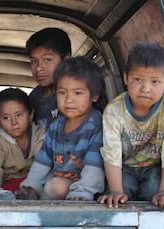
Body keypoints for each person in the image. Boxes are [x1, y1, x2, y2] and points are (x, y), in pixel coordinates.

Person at [98, 42, 164, 209]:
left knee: (154, 189)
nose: (146, 88)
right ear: (126, 78)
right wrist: (115, 191)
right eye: (138, 79)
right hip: (124, 167)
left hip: (154, 168)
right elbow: (111, 154)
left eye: (155, 81)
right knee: (119, 196)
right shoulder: (114, 110)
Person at [20, 56, 105, 200]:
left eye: (77, 93)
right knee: (51, 186)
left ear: (94, 96)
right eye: (62, 92)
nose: (68, 100)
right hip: (58, 181)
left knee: (55, 186)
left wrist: (82, 192)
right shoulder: (56, 126)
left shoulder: (96, 125)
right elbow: (42, 161)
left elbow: (94, 166)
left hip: (85, 186)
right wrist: (32, 186)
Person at [0, 88, 44, 199]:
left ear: (31, 115)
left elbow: (46, 164)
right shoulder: (1, 143)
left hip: (37, 181)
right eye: (6, 118)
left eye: (19, 115)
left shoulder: (40, 135)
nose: (14, 122)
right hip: (10, 182)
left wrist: (33, 187)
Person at [27, 27, 71, 128]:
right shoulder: (34, 96)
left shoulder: (75, 93)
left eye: (47, 59)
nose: (38, 68)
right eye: (34, 61)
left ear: (66, 60)